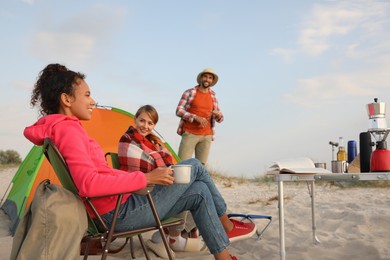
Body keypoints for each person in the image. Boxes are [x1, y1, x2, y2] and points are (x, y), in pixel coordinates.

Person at [23, 63, 253, 260]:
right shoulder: (68, 131)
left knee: (200, 191)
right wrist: (146, 178)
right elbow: (89, 184)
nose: (92, 100)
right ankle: (228, 226)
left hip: (116, 207)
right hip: (115, 215)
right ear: (66, 99)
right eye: (86, 94)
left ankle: (224, 256)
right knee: (193, 166)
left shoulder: (62, 129)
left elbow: (101, 175)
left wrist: (141, 180)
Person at [118, 104, 256, 253]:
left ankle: (214, 248)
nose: (145, 126)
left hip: (155, 194)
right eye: (142, 121)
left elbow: (162, 165)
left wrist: (167, 168)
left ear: (154, 125)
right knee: (195, 165)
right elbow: (148, 169)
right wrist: (167, 169)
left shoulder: (154, 143)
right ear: (135, 119)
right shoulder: (128, 140)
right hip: (141, 199)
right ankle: (225, 223)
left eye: (150, 123)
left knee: (199, 188)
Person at [176, 67, 223, 165]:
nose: (207, 79)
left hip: (207, 136)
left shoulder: (213, 95)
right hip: (190, 133)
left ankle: (197, 181)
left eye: (210, 78)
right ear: (201, 78)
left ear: (212, 81)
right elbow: (179, 110)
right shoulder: (190, 92)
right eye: (205, 76)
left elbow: (220, 118)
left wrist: (218, 115)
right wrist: (195, 117)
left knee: (201, 167)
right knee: (182, 164)